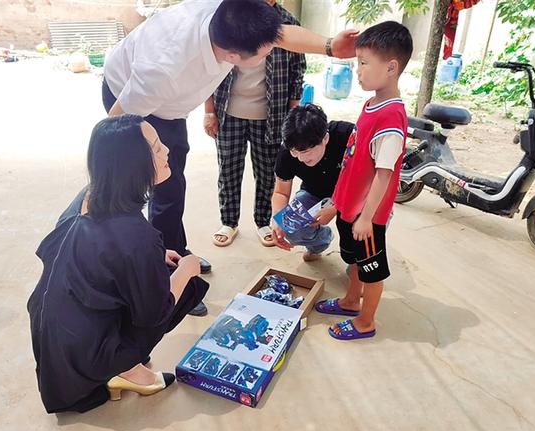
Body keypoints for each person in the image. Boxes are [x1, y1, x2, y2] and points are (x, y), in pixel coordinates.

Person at [102, 0, 358, 315]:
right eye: (265, 53)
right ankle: (167, 281)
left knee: (173, 185)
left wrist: (331, 46)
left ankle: (175, 253)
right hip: (130, 100)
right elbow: (110, 135)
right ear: (234, 58)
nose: (271, 52)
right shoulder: (163, 70)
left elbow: (278, 34)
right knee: (150, 188)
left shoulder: (231, 17)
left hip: (171, 108)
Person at [27, 115, 209, 413]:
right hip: (85, 359)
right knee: (185, 286)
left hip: (57, 346)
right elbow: (155, 312)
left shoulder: (90, 196)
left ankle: (119, 362)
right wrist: (187, 269)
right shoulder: (137, 236)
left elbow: (98, 254)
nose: (166, 150)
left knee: (158, 271)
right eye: (156, 148)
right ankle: (125, 368)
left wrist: (153, 257)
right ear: (132, 165)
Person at [314, 21, 413, 340]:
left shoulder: (391, 117)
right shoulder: (371, 105)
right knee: (356, 260)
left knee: (371, 268)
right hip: (352, 209)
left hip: (368, 216)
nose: (358, 71)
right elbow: (353, 163)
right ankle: (350, 301)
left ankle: (366, 321)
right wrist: (338, 204)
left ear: (391, 67)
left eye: (364, 63)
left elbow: (385, 175)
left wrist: (367, 217)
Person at [204, 0, 306, 248]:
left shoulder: (288, 23)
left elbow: (298, 70)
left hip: (271, 115)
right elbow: (209, 68)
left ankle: (263, 222)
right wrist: (209, 111)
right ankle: (229, 222)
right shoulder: (231, 16)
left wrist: (292, 113)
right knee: (228, 169)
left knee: (267, 173)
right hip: (228, 112)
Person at [271, 104, 354, 261]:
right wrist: (277, 220)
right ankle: (321, 242)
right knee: (287, 225)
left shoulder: (348, 136)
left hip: (354, 193)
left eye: (305, 151)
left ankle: (358, 261)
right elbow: (281, 192)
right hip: (314, 193)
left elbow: (369, 180)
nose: (300, 158)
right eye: (294, 151)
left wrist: (336, 207)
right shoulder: (288, 152)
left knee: (359, 228)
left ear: (325, 139)